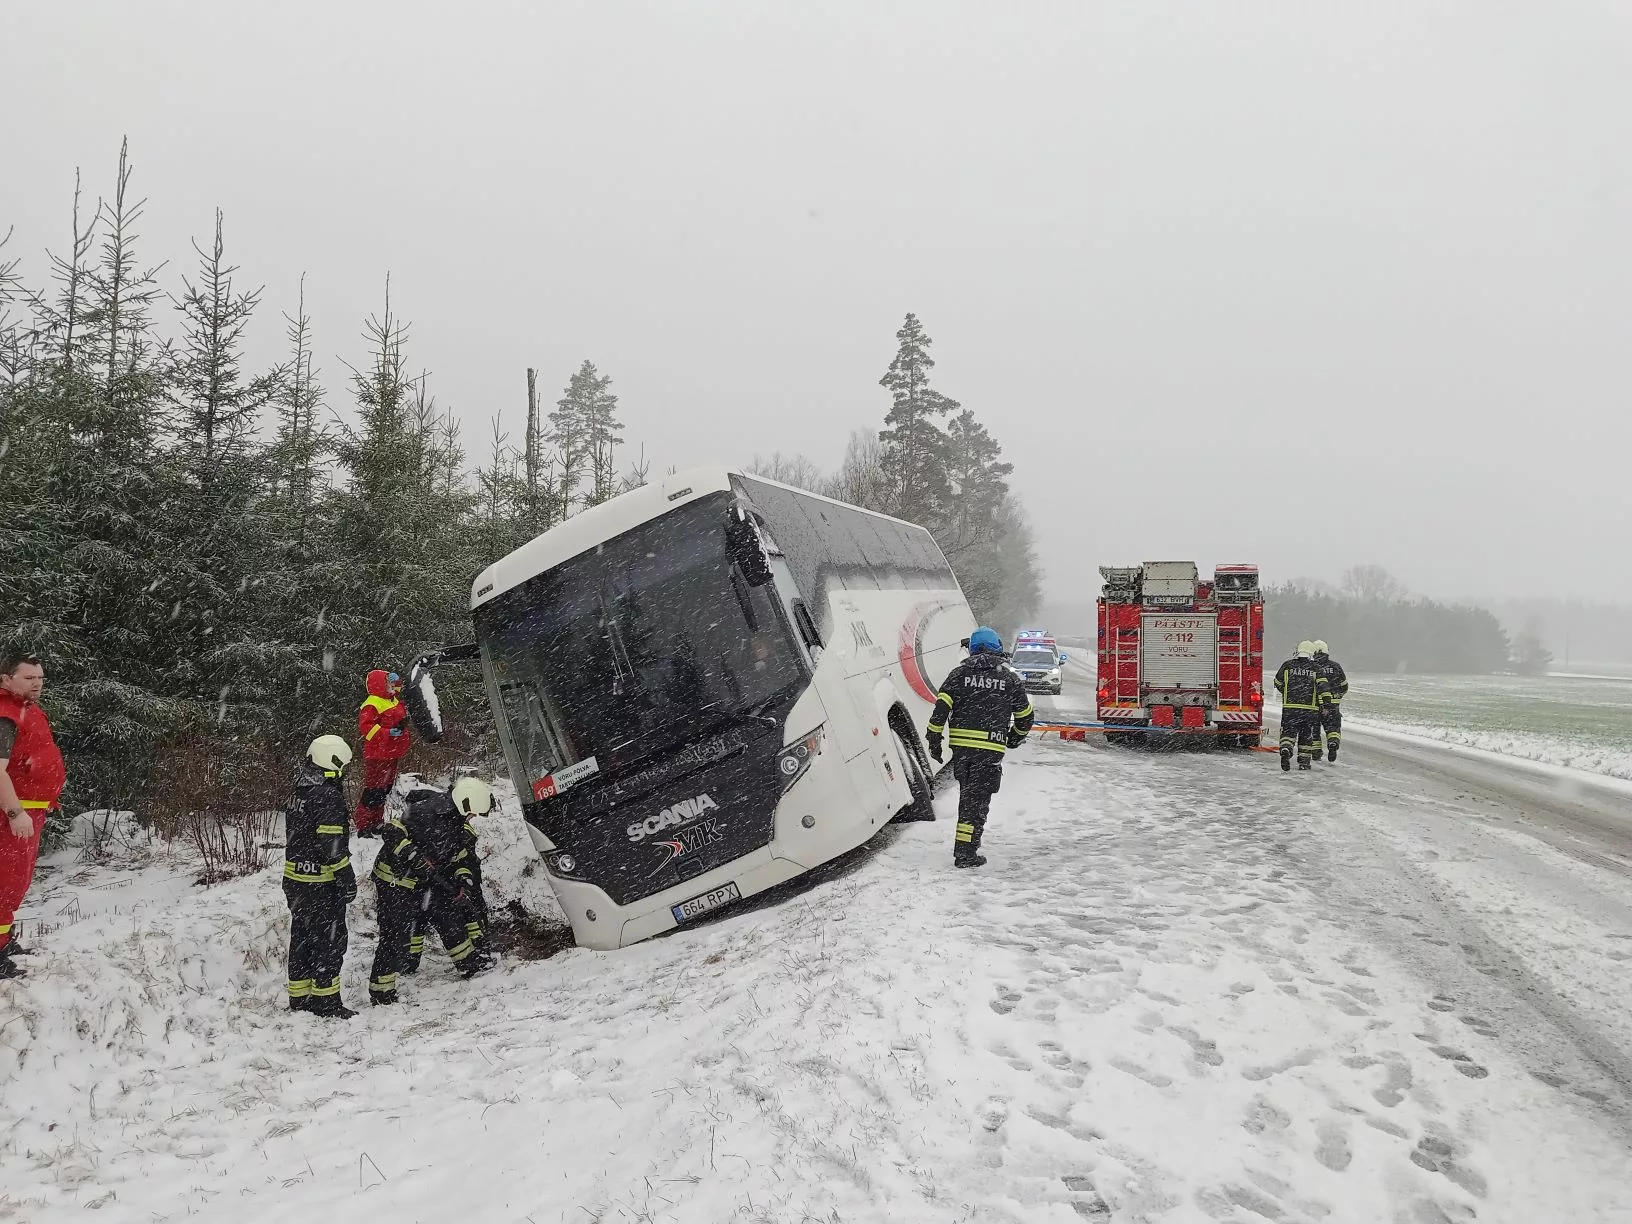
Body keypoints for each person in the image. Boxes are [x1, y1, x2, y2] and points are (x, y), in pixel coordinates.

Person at [368, 780, 492, 1005]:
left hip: (423, 882)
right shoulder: (425, 810)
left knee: (447, 916)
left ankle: (468, 965)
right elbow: (392, 831)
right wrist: (414, 857)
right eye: (473, 812)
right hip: (395, 880)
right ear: (464, 803)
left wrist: (463, 879)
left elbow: (460, 857)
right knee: (394, 933)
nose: (472, 818)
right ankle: (381, 992)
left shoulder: (456, 822)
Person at [924, 627, 1034, 869]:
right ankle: (965, 853)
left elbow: (940, 711)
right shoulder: (1008, 679)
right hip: (989, 753)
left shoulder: (958, 675)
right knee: (976, 804)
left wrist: (934, 740)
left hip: (962, 753)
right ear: (997, 648)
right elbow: (1025, 717)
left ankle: (965, 848)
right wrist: (1014, 738)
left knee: (968, 800)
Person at [0, 652, 66, 981]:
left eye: (40, 678)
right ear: (6, 679)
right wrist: (14, 812)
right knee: (4, 883)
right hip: (9, 812)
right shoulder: (6, 714)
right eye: (28, 678)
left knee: (15, 882)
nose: (37, 683)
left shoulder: (25, 710)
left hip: (28, 810)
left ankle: (4, 941)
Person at [283, 735, 358, 1018]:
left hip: (295, 883)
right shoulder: (327, 796)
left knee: (301, 939)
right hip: (321, 885)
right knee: (329, 942)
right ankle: (326, 1002)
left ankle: (300, 998)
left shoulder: (298, 792)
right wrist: (347, 880)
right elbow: (332, 846)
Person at [355, 669, 411, 837]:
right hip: (377, 755)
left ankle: (376, 822)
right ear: (379, 684)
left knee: (384, 789)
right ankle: (364, 826)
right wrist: (388, 733)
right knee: (373, 790)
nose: (391, 685)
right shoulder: (372, 703)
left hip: (391, 753)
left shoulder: (391, 699)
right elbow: (367, 729)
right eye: (387, 682)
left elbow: (399, 689)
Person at [1274, 641, 1329, 772]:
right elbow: (1324, 689)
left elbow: (1277, 682)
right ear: (1312, 653)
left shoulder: (1287, 665)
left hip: (1290, 708)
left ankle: (1286, 748)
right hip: (1309, 710)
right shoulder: (1316, 668)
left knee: (1288, 732)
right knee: (1306, 735)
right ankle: (1304, 763)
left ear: (1298, 651)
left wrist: (1287, 692)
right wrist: (1327, 704)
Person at [1311, 641, 1349, 763]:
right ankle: (1333, 743)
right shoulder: (1336, 667)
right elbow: (1344, 686)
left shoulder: (1311, 668)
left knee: (1314, 730)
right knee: (1333, 728)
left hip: (1315, 705)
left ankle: (1316, 752)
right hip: (1333, 706)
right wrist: (1337, 696)